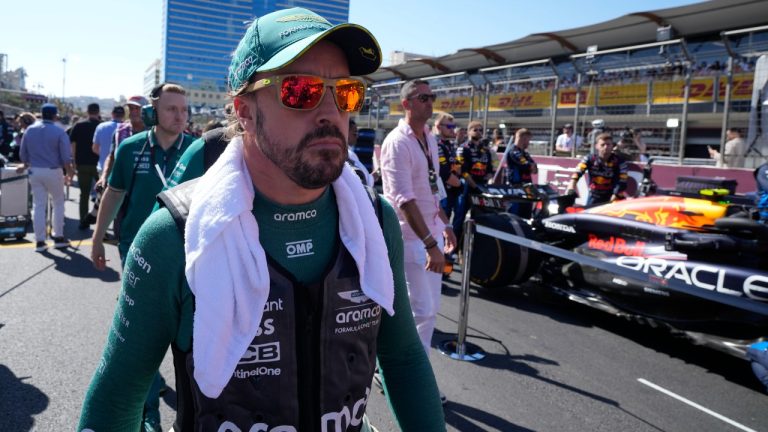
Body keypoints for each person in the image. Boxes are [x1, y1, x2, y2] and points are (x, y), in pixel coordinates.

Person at [79, 7, 445, 432]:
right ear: (245, 111)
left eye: (346, 93)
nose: (331, 112)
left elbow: (403, 359)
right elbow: (115, 400)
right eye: (301, 91)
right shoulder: (174, 237)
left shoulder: (375, 220)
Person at [89, 84, 193, 432]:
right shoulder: (131, 148)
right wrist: (97, 239)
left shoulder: (196, 150)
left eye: (184, 110)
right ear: (152, 113)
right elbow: (114, 194)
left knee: (188, 334)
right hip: (137, 251)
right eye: (171, 109)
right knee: (140, 336)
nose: (180, 116)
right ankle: (148, 416)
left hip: (188, 254)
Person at [380, 78, 456, 406]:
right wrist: (429, 244)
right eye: (423, 97)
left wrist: (445, 223)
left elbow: (432, 186)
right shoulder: (397, 142)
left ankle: (409, 373)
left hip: (431, 233)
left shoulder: (429, 138)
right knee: (419, 311)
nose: (430, 101)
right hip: (411, 239)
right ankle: (411, 380)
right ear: (406, 104)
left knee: (429, 311)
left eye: (431, 96)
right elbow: (403, 200)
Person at [17, 103, 74, 252]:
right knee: (58, 203)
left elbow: (23, 154)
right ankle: (58, 237)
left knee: (38, 205)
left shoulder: (30, 129)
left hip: (35, 170)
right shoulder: (59, 131)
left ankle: (40, 241)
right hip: (54, 170)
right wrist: (69, 173)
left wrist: (27, 163)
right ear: (55, 116)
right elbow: (66, 157)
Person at [453, 120, 494, 241]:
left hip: (481, 187)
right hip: (467, 187)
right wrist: (474, 185)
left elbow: (490, 168)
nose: (479, 132)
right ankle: (453, 246)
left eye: (481, 130)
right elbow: (463, 171)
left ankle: (476, 246)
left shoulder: (486, 150)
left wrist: (488, 176)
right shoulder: (463, 148)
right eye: (475, 130)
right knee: (459, 217)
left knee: (481, 219)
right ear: (468, 132)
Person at [567, 133, 628, 206]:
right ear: (596, 146)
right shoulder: (590, 158)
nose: (606, 147)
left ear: (612, 146)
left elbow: (623, 181)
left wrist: (615, 195)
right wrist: (571, 187)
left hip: (614, 195)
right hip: (595, 195)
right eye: (602, 145)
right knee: (589, 212)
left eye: (608, 144)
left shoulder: (620, 161)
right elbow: (578, 172)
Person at [68, 103, 102, 229]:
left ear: (87, 112)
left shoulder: (79, 125)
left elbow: (73, 145)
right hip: (99, 165)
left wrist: (74, 161)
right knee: (102, 196)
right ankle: (100, 223)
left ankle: (83, 221)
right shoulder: (102, 126)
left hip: (82, 164)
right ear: (98, 112)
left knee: (84, 194)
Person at [496, 128, 537, 218]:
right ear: (523, 138)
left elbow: (535, 169)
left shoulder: (525, 153)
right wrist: (530, 166)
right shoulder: (513, 151)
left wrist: (531, 166)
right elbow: (527, 165)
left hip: (527, 188)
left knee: (527, 215)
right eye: (528, 140)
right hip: (516, 188)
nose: (528, 143)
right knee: (515, 216)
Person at [432, 112, 461, 221]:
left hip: (451, 191)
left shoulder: (450, 144)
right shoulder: (435, 143)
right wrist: (459, 183)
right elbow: (442, 171)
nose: (452, 129)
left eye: (453, 126)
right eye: (449, 126)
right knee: (441, 223)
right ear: (438, 127)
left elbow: (457, 166)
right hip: (440, 192)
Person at [92, 105, 125, 181]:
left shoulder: (101, 126)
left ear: (112, 114)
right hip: (122, 170)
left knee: (103, 188)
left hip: (103, 167)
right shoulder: (127, 128)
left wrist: (105, 154)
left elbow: (95, 148)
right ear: (123, 115)